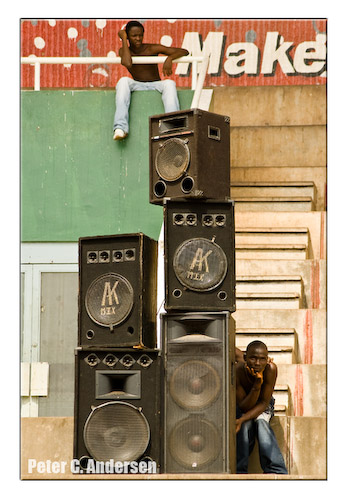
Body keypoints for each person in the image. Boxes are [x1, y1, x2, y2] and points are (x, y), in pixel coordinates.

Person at [113, 20, 189, 140]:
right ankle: (120, 128)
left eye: (140, 35)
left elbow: (184, 51)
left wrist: (169, 58)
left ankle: (172, 127)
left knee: (169, 83)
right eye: (134, 36)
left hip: (156, 84)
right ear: (128, 36)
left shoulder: (151, 48)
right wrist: (123, 38)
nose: (138, 38)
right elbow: (127, 62)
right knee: (123, 81)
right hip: (137, 85)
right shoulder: (124, 50)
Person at [235, 340, 288, 474]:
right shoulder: (238, 370)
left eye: (262, 359)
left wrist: (259, 384)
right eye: (253, 358)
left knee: (261, 423)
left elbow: (264, 403)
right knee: (245, 425)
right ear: (245, 358)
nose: (257, 363)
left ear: (268, 359)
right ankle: (240, 470)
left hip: (264, 405)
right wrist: (256, 385)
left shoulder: (271, 369)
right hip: (245, 404)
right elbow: (244, 406)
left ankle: (276, 469)